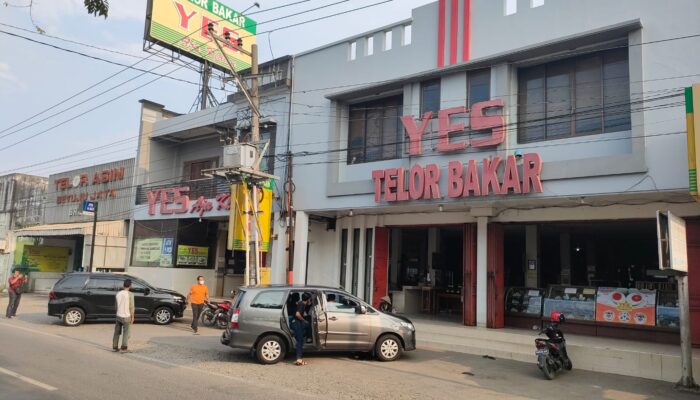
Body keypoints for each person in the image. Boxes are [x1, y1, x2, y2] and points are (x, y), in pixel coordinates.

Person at [113, 279, 134, 353]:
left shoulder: (118, 293)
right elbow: (131, 306)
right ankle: (124, 348)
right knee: (126, 332)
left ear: (123, 285)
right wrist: (132, 317)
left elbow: (116, 306)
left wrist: (117, 313)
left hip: (118, 315)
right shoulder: (130, 294)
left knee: (116, 332)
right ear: (130, 285)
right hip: (126, 316)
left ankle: (115, 347)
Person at [293, 292, 312, 366]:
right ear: (308, 299)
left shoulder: (301, 303)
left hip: (298, 322)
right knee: (300, 341)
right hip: (298, 323)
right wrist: (303, 320)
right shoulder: (302, 304)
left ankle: (307, 337)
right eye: (310, 299)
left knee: (300, 338)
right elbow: (297, 314)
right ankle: (299, 359)